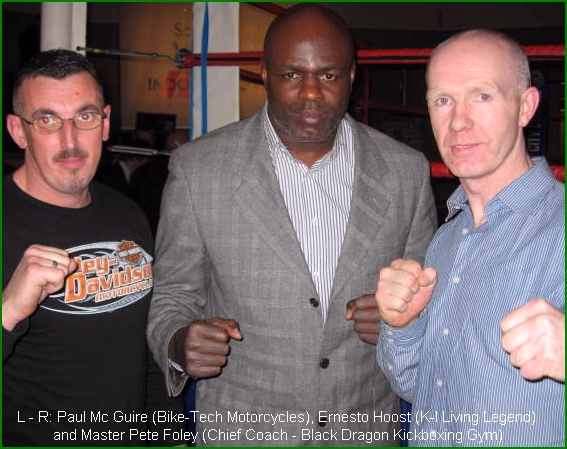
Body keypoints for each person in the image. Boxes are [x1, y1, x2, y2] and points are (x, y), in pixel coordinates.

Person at [148, 4, 437, 446]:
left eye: (329, 75)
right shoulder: (198, 169)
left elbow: (430, 298)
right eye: (291, 74)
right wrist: (178, 342)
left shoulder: (405, 171)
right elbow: (172, 296)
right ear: (264, 74)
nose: (311, 93)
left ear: (351, 75)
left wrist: (404, 324)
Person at [375, 29, 564, 446]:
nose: (458, 122)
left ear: (525, 107)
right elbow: (417, 389)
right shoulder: (446, 239)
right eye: (443, 100)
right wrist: (403, 325)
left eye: (482, 96)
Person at [2, 49, 185, 446]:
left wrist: (169, 434)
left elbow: (145, 351)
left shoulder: (126, 212)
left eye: (84, 117)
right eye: (47, 120)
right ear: (18, 131)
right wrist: (8, 311)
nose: (70, 141)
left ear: (105, 123)